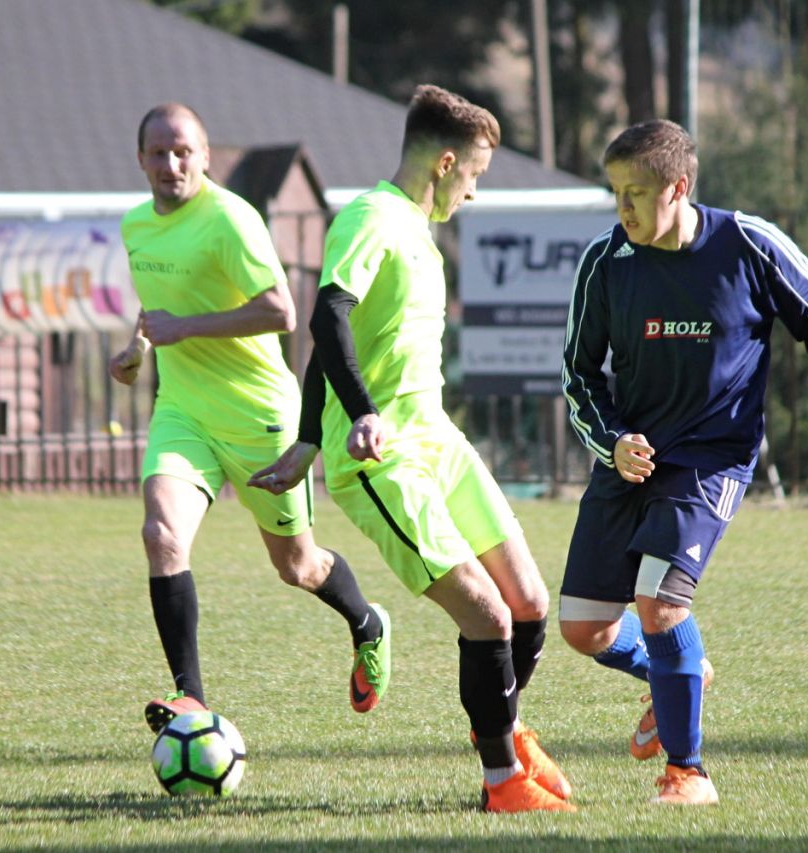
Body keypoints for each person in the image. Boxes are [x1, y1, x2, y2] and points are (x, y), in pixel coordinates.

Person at [249, 85, 574, 814]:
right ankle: (501, 782)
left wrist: (304, 441)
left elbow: (337, 344)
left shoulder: (420, 234)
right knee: (486, 615)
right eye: (475, 174)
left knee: (528, 601)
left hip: (436, 438)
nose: (475, 190)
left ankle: (504, 731)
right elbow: (327, 319)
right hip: (381, 459)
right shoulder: (371, 216)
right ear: (446, 162)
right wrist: (350, 423)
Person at [558, 119, 808, 805]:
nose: (624, 208)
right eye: (616, 193)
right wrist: (613, 441)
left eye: (637, 193)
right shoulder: (606, 261)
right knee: (585, 626)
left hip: (711, 458)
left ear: (679, 188)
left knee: (661, 603)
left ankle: (687, 772)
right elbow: (578, 375)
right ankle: (679, 672)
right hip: (631, 458)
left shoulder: (746, 243)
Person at [109, 103, 391, 734]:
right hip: (183, 411)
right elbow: (159, 309)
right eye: (158, 153)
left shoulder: (231, 219)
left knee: (298, 567)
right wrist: (137, 348)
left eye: (183, 151)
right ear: (141, 160)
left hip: (258, 414)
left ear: (205, 157)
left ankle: (367, 622)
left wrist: (185, 328)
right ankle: (191, 700)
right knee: (161, 536)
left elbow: (281, 311)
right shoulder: (135, 225)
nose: (171, 163)